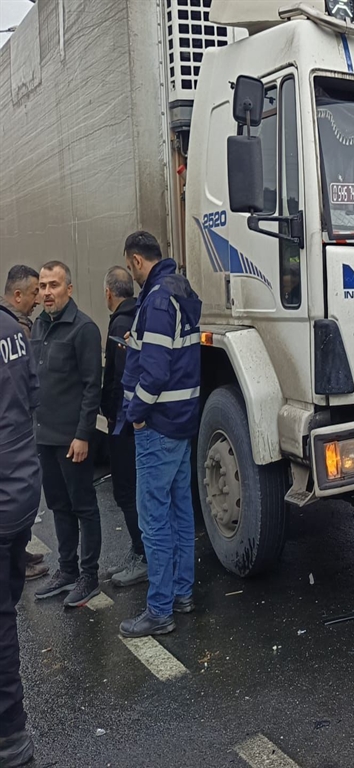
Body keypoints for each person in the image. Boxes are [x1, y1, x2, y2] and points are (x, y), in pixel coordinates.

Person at [118, 232, 202, 638]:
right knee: (180, 511)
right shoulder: (181, 290)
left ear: (136, 261)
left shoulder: (155, 300)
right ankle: (183, 594)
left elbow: (154, 371)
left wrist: (135, 414)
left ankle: (159, 610)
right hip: (182, 419)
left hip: (157, 424)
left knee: (154, 520)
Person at [31, 261, 104, 608]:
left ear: (69, 289)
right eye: (43, 286)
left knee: (83, 507)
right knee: (59, 506)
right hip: (44, 437)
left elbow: (92, 388)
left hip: (71, 439)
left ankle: (89, 575)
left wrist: (83, 434)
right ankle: (67, 570)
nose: (47, 292)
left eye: (54, 285)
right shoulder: (37, 328)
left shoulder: (83, 329)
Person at [0, 298, 41, 767]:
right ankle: (11, 735)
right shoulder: (11, 328)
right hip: (20, 490)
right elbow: (32, 394)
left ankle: (10, 735)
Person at [101, 266, 147, 587]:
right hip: (139, 421)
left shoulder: (119, 322)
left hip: (123, 425)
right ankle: (139, 550)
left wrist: (113, 416)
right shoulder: (139, 314)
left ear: (108, 293)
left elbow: (118, 380)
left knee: (125, 492)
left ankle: (142, 555)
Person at [1, 265, 48, 582]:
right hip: (19, 462)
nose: (39, 299)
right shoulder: (17, 332)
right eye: (34, 293)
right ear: (17, 295)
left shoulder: (18, 328)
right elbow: (33, 392)